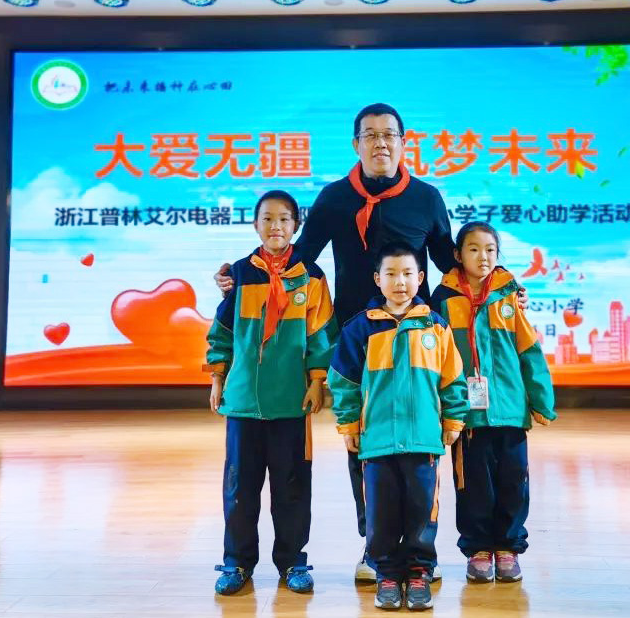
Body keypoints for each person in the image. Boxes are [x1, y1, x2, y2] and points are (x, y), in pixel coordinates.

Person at [214, 103, 527, 581]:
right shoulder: (334, 198)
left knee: (420, 449)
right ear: (356, 144)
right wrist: (239, 275)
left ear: (403, 142)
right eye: (371, 135)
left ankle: (419, 553)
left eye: (389, 135)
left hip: (417, 341)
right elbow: (299, 258)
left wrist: (503, 286)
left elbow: (451, 263)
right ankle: (374, 548)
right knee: (361, 442)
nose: (381, 143)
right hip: (356, 340)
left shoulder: (426, 198)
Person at [204, 190, 337, 595]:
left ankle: (293, 561)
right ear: (255, 224)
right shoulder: (239, 274)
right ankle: (236, 563)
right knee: (239, 489)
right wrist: (217, 377)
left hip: (291, 402)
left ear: (296, 225)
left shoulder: (312, 277)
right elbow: (222, 332)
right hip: (243, 402)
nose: (275, 226)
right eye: (267, 218)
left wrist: (317, 381)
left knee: (292, 488)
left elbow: (321, 334)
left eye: (284, 219)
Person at [327, 241, 469, 610]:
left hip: (424, 440)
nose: (400, 281)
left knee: (422, 510)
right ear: (377, 279)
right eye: (391, 273)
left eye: (407, 273)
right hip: (376, 441)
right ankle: (387, 573)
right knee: (381, 512)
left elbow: (453, 378)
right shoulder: (359, 329)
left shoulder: (436, 327)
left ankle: (419, 571)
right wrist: (349, 424)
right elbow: (343, 383)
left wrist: (454, 418)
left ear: (420, 278)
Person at [428, 221, 556, 584]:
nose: (482, 257)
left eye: (490, 250)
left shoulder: (509, 296)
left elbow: (528, 350)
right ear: (457, 255)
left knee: (514, 482)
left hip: (511, 411)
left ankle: (508, 547)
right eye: (473, 249)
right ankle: (479, 548)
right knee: (473, 487)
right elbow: (436, 358)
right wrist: (441, 408)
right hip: (468, 417)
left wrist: (541, 399)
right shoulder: (443, 299)